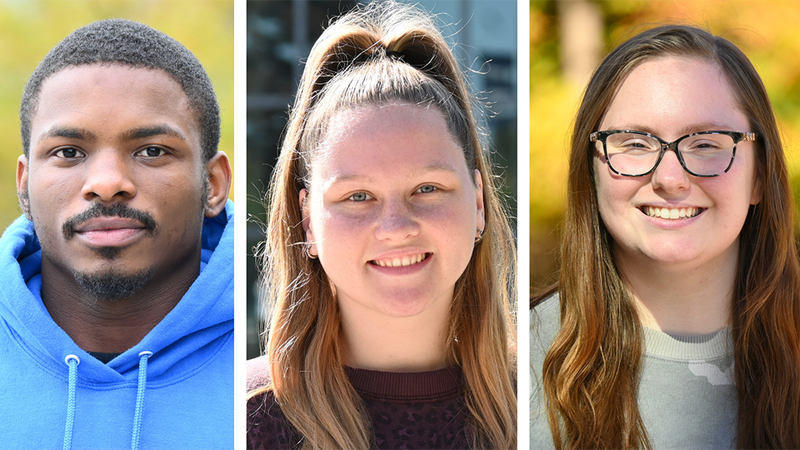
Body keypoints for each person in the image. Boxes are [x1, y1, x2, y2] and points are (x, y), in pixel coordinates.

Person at [246, 2, 516, 449]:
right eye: (357, 197)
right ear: (309, 220)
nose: (395, 226)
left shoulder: (539, 404)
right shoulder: (244, 419)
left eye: (427, 188)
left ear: (480, 203)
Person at [530, 24, 800, 449]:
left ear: (760, 177)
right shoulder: (515, 367)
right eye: (635, 143)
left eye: (707, 144)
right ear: (591, 171)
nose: (670, 178)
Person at [0, 19, 233, 449]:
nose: (107, 182)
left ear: (213, 184)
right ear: (24, 185)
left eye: (152, 151)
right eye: (68, 153)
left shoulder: (275, 378)